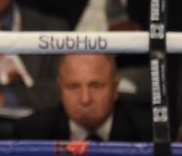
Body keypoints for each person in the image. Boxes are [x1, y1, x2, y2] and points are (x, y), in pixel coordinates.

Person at [14, 53, 152, 141]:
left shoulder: (148, 131)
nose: (85, 99)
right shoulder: (31, 132)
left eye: (95, 86)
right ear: (60, 88)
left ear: (115, 88)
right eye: (73, 87)